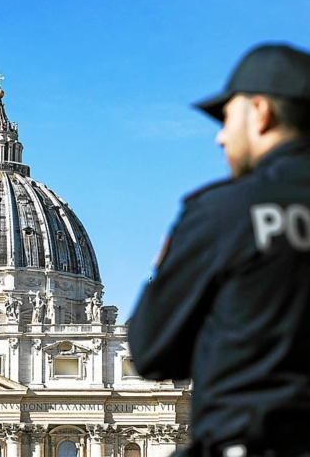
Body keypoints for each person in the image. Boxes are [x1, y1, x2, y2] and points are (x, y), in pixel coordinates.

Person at [129, 43, 310, 457]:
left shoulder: (222, 211)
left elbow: (154, 354)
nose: (220, 136)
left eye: (227, 117)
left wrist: (164, 273)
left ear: (260, 112)